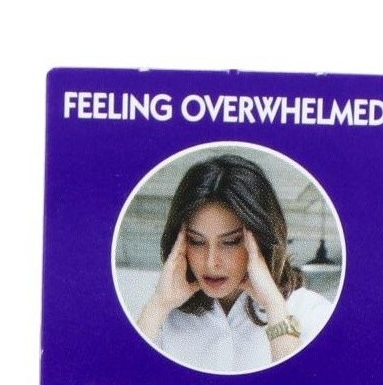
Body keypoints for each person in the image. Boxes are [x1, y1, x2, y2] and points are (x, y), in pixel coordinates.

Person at [136, 154, 334, 373]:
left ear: (261, 239)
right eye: (197, 241)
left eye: (230, 242)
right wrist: (158, 305)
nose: (211, 262)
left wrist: (274, 306)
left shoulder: (309, 310)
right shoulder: (161, 319)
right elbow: (122, 384)